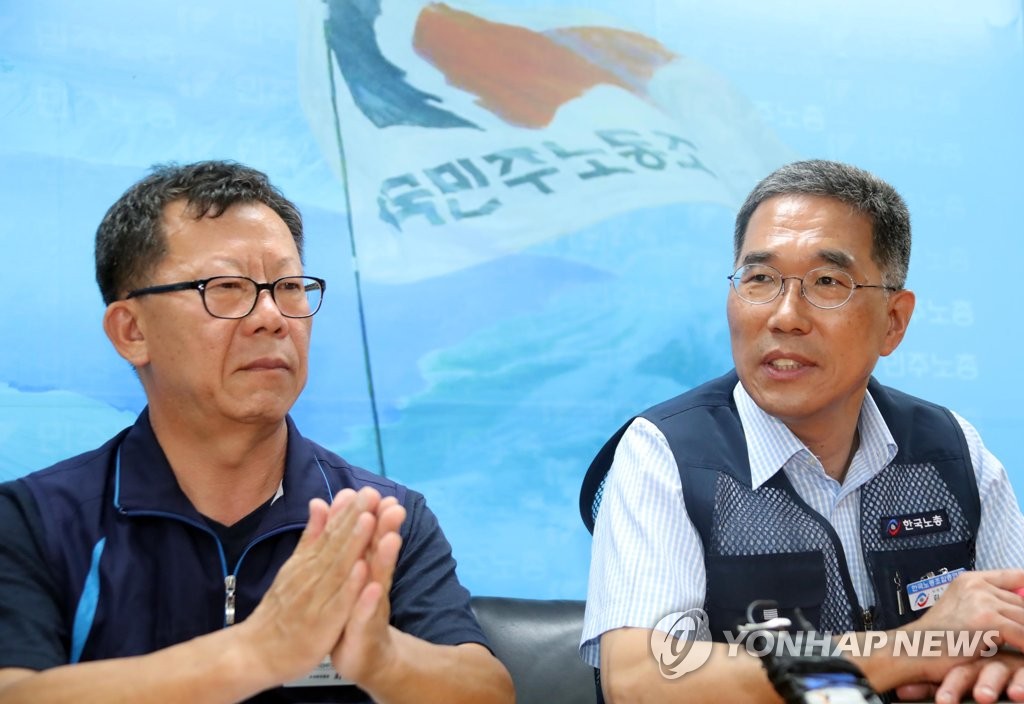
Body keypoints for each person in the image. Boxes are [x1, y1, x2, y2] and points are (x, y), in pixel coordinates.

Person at [0, 161, 514, 704]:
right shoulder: (38, 521)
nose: (271, 316)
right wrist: (252, 654)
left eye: (288, 287)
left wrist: (382, 658)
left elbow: (488, 691)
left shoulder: (376, 518)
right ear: (132, 331)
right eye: (225, 287)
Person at [578, 159, 1024, 704]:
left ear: (893, 321)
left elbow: (1013, 619)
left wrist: (1008, 659)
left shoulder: (951, 450)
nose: (785, 316)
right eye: (760, 279)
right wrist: (908, 650)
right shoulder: (668, 454)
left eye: (827, 282)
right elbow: (640, 679)